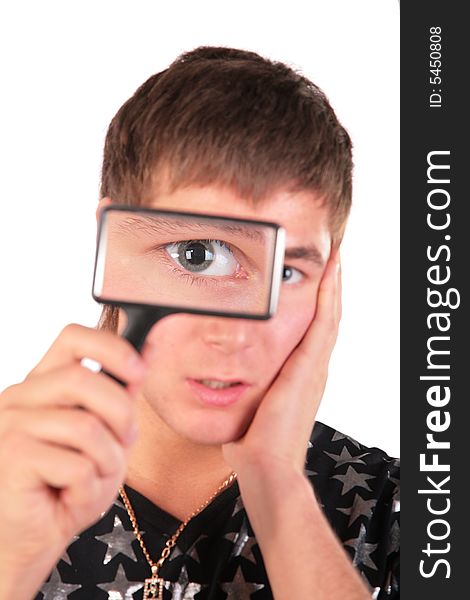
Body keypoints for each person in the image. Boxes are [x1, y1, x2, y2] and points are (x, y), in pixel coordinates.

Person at [0, 46, 399, 599]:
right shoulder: (10, 479)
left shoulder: (401, 515)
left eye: (285, 272)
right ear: (111, 247)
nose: (234, 336)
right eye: (195, 256)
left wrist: (278, 488)